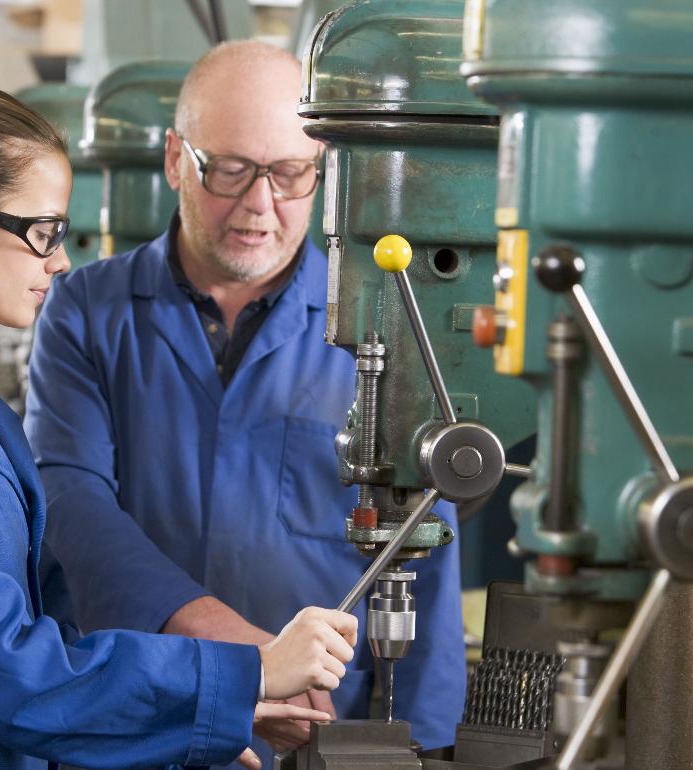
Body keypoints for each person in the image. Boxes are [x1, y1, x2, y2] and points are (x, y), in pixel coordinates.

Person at [0, 83, 360, 770]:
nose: (59, 260)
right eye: (43, 233)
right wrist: (248, 674)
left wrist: (182, 734)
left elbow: (43, 651)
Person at [25, 41, 466, 766]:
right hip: (139, 721)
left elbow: (428, 547)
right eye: (228, 170)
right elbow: (70, 504)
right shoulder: (85, 311)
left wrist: (424, 745)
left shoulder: (382, 322)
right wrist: (252, 661)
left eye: (289, 174)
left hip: (323, 731)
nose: (259, 206)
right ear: (175, 159)